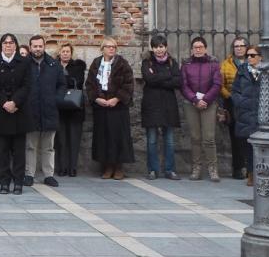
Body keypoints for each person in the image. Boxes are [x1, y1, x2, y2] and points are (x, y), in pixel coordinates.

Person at [0, 34, 31, 194]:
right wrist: (4, 102)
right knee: (2, 150)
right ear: (1, 45)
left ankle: (18, 182)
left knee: (19, 150)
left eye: (11, 43)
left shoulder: (25, 62)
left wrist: (15, 102)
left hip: (19, 111)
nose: (8, 45)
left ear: (16, 45)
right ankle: (4, 182)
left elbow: (27, 86)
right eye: (5, 43)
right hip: (1, 111)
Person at [86, 37, 135, 180]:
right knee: (103, 137)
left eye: (113, 46)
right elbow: (90, 84)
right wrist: (97, 98)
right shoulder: (96, 64)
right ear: (102, 49)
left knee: (118, 137)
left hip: (118, 108)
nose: (111, 49)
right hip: (101, 107)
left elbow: (128, 84)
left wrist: (117, 98)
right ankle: (107, 166)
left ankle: (118, 167)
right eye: (108, 46)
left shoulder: (122, 64)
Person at [24, 35, 66, 188]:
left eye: (40, 46)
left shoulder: (54, 64)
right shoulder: (24, 64)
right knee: (30, 145)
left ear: (44, 46)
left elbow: (62, 85)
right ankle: (29, 174)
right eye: (34, 46)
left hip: (50, 110)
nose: (37, 49)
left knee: (48, 146)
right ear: (30, 47)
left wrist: (56, 99)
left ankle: (48, 175)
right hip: (30, 111)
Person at [140, 35, 182, 181]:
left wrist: (159, 77)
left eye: (162, 46)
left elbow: (177, 81)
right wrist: (166, 76)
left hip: (168, 105)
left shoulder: (172, 62)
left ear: (166, 47)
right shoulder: (147, 63)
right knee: (151, 139)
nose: (159, 49)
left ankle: (170, 170)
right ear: (152, 48)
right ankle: (152, 169)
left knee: (169, 139)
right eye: (156, 47)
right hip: (151, 104)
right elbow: (149, 79)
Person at [181, 36, 223, 181]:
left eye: (200, 47)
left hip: (209, 104)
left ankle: (213, 168)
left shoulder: (213, 64)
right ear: (192, 49)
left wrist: (205, 100)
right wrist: (194, 99)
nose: (198, 49)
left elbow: (217, 84)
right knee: (195, 137)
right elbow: (184, 85)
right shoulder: (186, 64)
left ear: (205, 48)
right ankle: (196, 168)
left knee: (209, 138)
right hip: (191, 104)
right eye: (195, 47)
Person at [54, 43, 86, 178]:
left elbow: (78, 81)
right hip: (59, 108)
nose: (65, 54)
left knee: (74, 139)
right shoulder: (54, 66)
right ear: (59, 53)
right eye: (63, 51)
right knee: (60, 140)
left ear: (71, 53)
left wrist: (62, 81)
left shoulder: (78, 66)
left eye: (68, 51)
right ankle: (61, 167)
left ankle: (72, 168)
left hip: (75, 109)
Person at [232, 45, 262, 187]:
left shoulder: (268, 71)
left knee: (264, 146)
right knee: (248, 147)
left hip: (262, 114)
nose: (249, 57)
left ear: (260, 57)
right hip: (246, 113)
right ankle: (251, 174)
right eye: (248, 55)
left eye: (252, 55)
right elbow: (235, 91)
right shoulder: (242, 71)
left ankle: (263, 173)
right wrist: (241, 102)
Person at [221, 36, 250, 180]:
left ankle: (250, 168)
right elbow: (220, 84)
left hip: (250, 104)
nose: (238, 48)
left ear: (246, 47)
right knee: (235, 137)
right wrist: (230, 96)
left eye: (241, 45)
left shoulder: (252, 62)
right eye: (236, 46)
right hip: (232, 104)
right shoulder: (226, 64)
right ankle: (237, 168)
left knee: (249, 137)